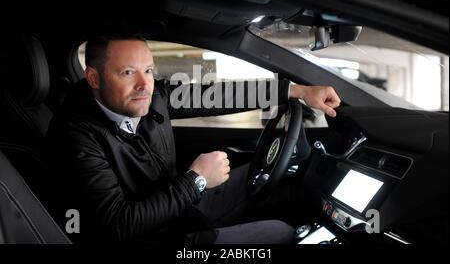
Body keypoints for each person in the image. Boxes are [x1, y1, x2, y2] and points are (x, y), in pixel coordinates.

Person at [45, 34, 341, 244]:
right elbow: (118, 226)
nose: (143, 84)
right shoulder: (76, 135)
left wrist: (295, 91)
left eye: (148, 70)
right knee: (281, 233)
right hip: (160, 237)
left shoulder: (150, 96)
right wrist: (195, 181)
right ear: (94, 79)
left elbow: (213, 95)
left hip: (177, 211)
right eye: (127, 72)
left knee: (258, 174)